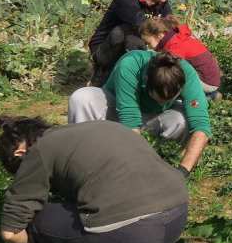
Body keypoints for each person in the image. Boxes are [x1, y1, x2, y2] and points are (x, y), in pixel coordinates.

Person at [0, 115, 189, 243]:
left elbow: (10, 232)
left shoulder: (39, 151)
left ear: (20, 153)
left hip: (137, 237)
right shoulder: (102, 126)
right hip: (177, 218)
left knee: (38, 218)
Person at [67, 51, 211, 173]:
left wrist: (183, 171)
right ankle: (84, 162)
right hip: (117, 113)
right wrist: (138, 171)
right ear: (147, 80)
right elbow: (130, 123)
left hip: (152, 118)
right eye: (158, 99)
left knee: (182, 120)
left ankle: (163, 160)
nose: (161, 104)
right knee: (81, 98)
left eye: (167, 100)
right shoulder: (130, 65)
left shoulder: (187, 74)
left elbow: (201, 127)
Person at [87, 0, 174, 87]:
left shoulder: (161, 1)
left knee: (164, 36)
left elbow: (169, 25)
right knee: (128, 32)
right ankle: (102, 71)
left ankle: (146, 76)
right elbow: (143, 26)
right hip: (104, 49)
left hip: (134, 43)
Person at [140, 16, 222, 100]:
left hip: (207, 82)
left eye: (148, 42)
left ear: (159, 36)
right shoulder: (177, 38)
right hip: (211, 78)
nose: (149, 46)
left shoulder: (174, 47)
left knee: (169, 77)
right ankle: (210, 94)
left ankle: (206, 97)